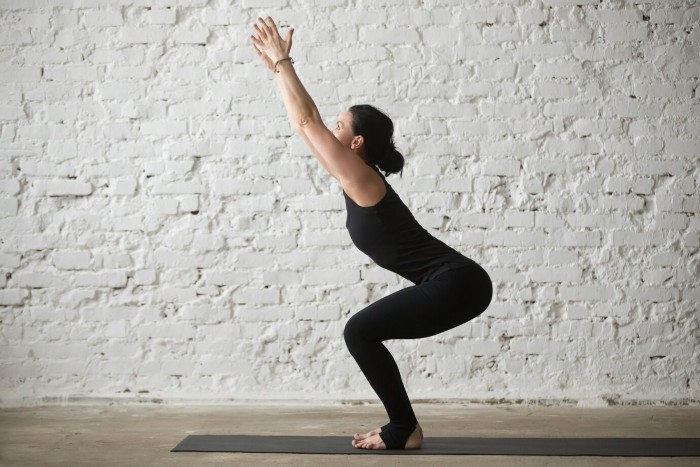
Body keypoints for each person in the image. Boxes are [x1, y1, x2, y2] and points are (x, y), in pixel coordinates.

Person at [250, 17, 493, 450]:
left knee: (358, 331)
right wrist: (276, 70)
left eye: (340, 126)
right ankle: (405, 426)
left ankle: (404, 428)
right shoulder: (354, 177)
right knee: (361, 331)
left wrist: (285, 61)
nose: (331, 130)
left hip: (459, 281)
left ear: (357, 143)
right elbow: (301, 123)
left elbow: (308, 122)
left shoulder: (363, 179)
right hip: (456, 282)